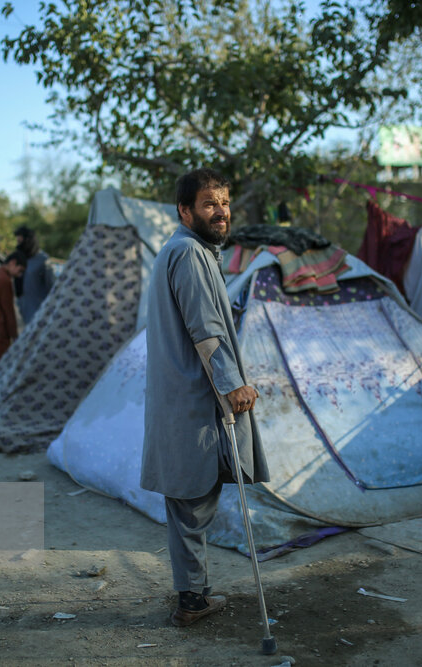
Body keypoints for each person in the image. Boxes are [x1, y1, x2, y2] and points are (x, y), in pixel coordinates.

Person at [141, 168, 269, 627]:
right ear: (185, 210)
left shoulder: (188, 251)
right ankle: (192, 601)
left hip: (185, 401)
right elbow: (207, 330)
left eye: (225, 203)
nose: (221, 212)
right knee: (193, 501)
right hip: (194, 402)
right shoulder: (189, 254)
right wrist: (233, 383)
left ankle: (193, 593)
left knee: (192, 500)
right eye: (210, 203)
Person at [13, 225, 52, 327]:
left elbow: (51, 286)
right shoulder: (19, 259)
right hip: (23, 309)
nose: (19, 245)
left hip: (39, 311)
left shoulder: (43, 260)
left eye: (21, 241)